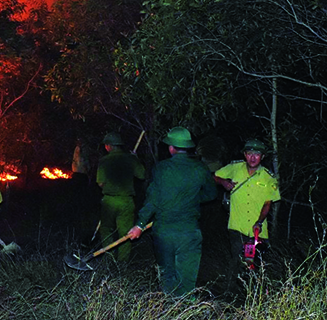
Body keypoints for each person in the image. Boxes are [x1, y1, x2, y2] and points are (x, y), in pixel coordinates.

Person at [129, 127, 217, 297]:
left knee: (167, 274)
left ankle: (170, 305)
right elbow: (211, 193)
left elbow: (152, 200)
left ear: (171, 148)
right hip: (189, 232)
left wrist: (140, 224)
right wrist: (191, 199)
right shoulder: (200, 168)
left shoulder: (162, 168)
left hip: (164, 232)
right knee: (187, 279)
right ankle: (185, 307)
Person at [214, 139, 281, 273]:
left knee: (256, 268)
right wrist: (223, 182)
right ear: (245, 155)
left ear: (262, 156)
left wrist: (259, 222)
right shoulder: (235, 168)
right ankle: (231, 286)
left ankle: (255, 286)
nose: (253, 157)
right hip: (237, 227)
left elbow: (268, 203)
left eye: (257, 154)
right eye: (249, 153)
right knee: (236, 264)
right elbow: (214, 176)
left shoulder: (269, 178)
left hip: (258, 231)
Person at [96, 131, 143, 262]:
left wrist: (110, 187)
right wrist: (136, 159)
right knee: (126, 233)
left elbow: (100, 183)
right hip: (126, 201)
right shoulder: (130, 159)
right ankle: (122, 264)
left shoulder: (104, 161)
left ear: (109, 146)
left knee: (106, 230)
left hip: (109, 201)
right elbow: (142, 175)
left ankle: (108, 259)